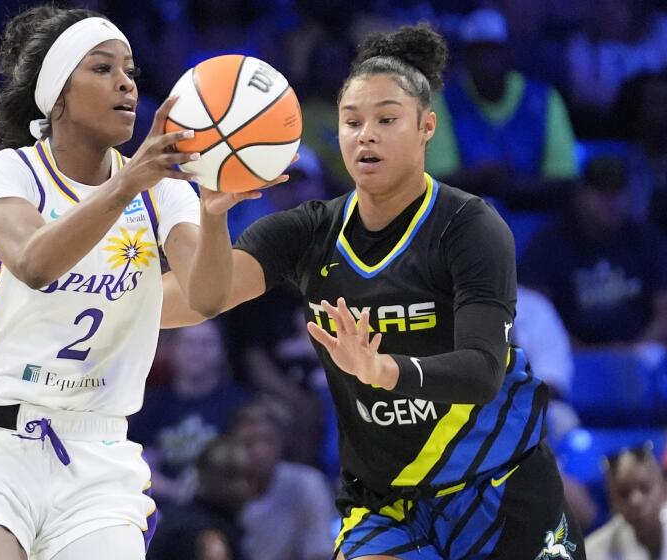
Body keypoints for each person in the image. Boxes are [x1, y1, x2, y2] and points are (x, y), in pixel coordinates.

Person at [166, 23, 585, 559]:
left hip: (497, 485)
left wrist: (387, 371)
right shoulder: (305, 232)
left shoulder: (472, 227)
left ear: (426, 127)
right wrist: (207, 215)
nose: (366, 134)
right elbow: (201, 297)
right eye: (352, 121)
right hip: (386, 502)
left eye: (387, 120)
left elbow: (481, 371)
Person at [0, 5, 280, 560]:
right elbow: (37, 264)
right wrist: (128, 182)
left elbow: (206, 297)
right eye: (102, 68)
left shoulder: (165, 193)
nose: (126, 83)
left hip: (98, 452)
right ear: (57, 96)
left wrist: (213, 214)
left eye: (131, 71)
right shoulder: (5, 173)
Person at [425, 8, 578, 211]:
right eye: (478, 54)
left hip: (535, 218)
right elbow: (436, 180)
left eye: (493, 53)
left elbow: (564, 177)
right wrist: (481, 178)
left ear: (508, 54)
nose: (487, 64)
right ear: (466, 59)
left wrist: (511, 185)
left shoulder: (544, 99)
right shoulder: (443, 102)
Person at [518, 155, 667, 348]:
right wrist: (589, 355)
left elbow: (664, 311)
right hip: (572, 357)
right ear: (580, 195)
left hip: (640, 354)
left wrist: (635, 350)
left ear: (629, 196)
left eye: (617, 192)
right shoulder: (549, 243)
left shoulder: (647, 240)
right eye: (600, 192)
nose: (610, 201)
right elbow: (533, 315)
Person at [129, 321, 252, 507]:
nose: (197, 352)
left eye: (206, 343)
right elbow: (140, 464)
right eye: (189, 343)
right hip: (161, 507)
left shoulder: (240, 403)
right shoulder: (151, 403)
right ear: (172, 349)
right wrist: (175, 491)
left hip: (224, 506)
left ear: (222, 351)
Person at [231, 402, 336, 560]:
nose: (260, 452)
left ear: (283, 441)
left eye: (268, 441)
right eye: (248, 442)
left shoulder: (308, 484)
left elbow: (320, 552)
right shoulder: (212, 481)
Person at [147, 436, 255, 560]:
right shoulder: (202, 535)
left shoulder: (221, 524)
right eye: (231, 475)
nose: (241, 486)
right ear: (204, 474)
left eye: (248, 477)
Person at [585, 442, 667, 560]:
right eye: (623, 494)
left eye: (645, 488)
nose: (635, 501)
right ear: (611, 500)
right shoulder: (593, 553)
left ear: (664, 489)